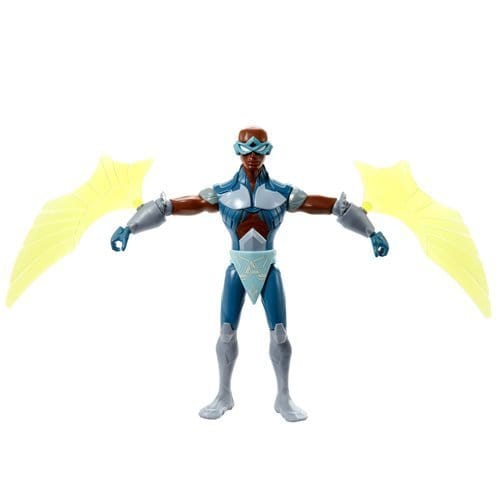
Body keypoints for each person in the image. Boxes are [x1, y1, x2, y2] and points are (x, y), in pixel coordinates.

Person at [111, 127, 389, 422]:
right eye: (247, 150)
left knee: (279, 333)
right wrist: (130, 227)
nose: (253, 156)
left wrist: (371, 231)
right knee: (226, 331)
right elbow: (174, 206)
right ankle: (223, 394)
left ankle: (283, 397)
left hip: (268, 269)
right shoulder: (222, 193)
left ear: (267, 151)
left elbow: (333, 206)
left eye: (258, 150)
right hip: (237, 269)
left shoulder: (282, 194)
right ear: (238, 151)